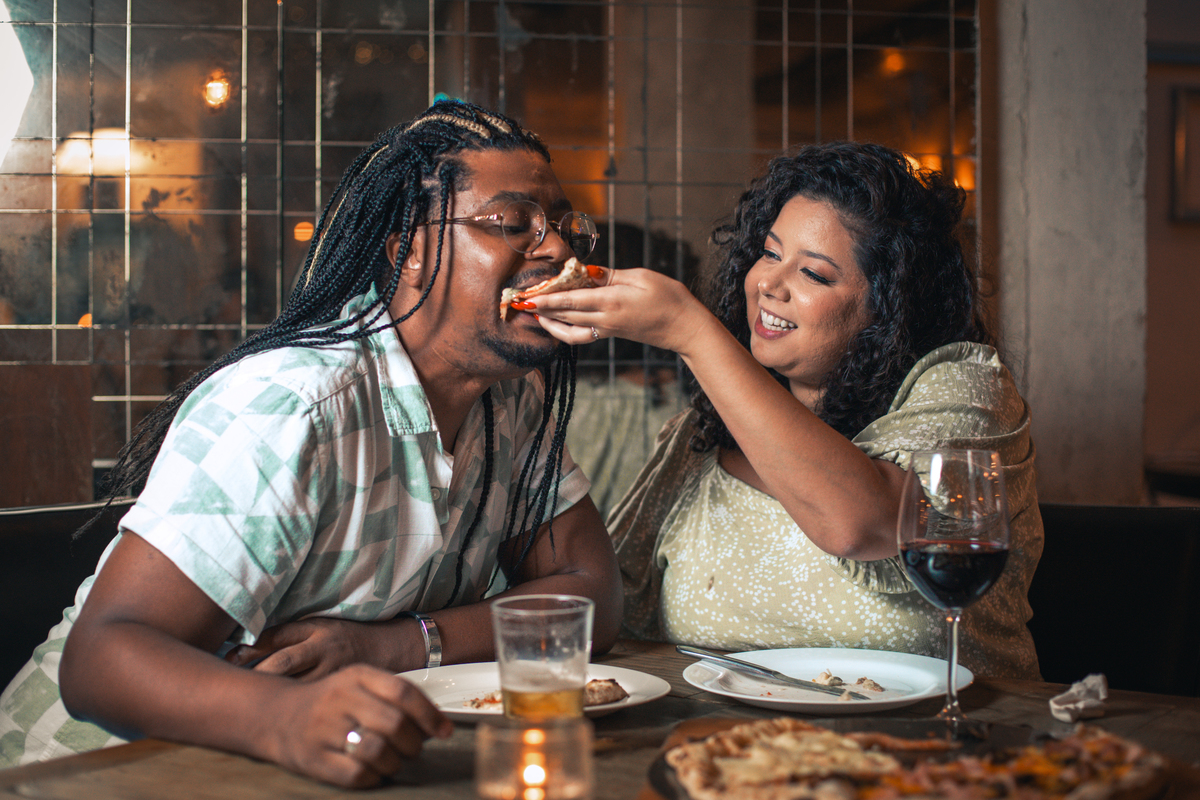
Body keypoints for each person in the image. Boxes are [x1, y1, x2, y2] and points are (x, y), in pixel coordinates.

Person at [0, 101, 622, 785]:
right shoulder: (292, 405)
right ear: (408, 253)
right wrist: (286, 715)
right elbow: (100, 660)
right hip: (82, 772)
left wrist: (392, 647)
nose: (558, 249)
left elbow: (592, 598)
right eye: (513, 224)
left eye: (563, 227)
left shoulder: (513, 402)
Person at [527, 141, 1042, 680]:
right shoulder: (700, 436)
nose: (769, 284)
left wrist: (691, 332)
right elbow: (617, 611)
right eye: (770, 254)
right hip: (734, 751)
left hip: (950, 750)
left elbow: (860, 526)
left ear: (888, 307)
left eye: (814, 275)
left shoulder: (964, 387)